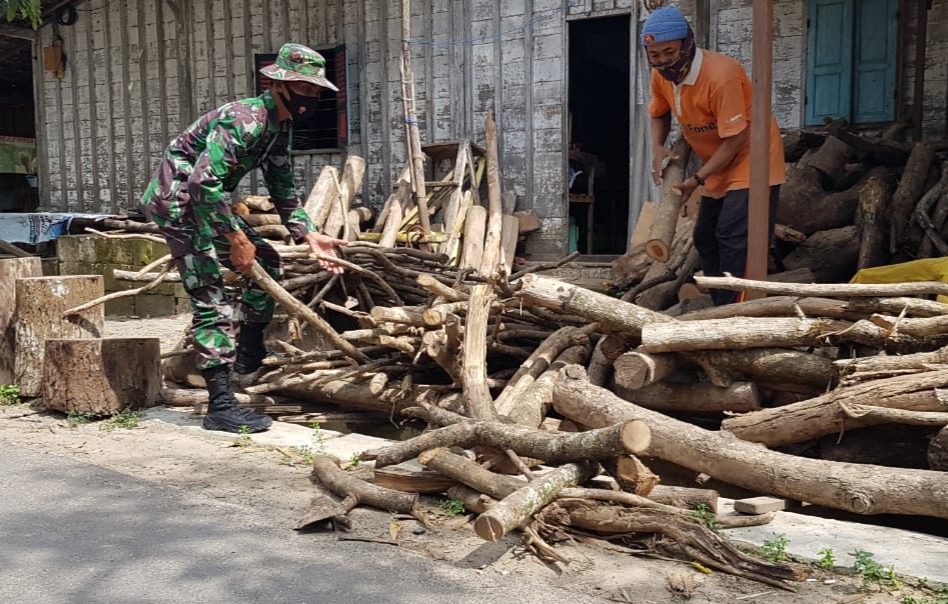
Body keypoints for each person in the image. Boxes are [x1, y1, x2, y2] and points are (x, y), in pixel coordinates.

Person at [141, 43, 347, 433]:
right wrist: (236, 236)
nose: (312, 97)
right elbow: (202, 183)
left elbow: (282, 187)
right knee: (210, 293)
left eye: (316, 91)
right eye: (305, 88)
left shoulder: (279, 127)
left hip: (206, 202)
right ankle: (220, 404)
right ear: (278, 83)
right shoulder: (245, 119)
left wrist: (308, 234)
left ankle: (247, 356)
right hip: (178, 203)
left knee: (268, 260)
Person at [644, 6, 786, 306]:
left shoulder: (722, 75)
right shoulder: (661, 77)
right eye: (655, 56)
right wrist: (657, 147)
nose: (663, 61)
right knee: (706, 237)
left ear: (687, 43)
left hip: (751, 155)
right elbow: (659, 113)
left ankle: (738, 309)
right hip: (716, 162)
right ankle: (720, 305)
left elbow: (736, 139)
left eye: (669, 52)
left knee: (734, 237)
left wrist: (697, 179)